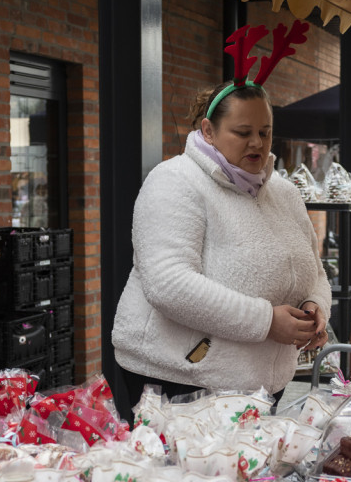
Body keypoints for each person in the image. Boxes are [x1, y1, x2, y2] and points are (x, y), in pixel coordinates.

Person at [112, 22, 331, 404]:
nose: (257, 143)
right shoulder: (174, 181)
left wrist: (314, 307)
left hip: (263, 382)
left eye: (265, 132)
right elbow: (169, 284)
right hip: (182, 377)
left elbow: (314, 268)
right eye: (242, 132)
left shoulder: (283, 192)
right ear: (208, 131)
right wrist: (266, 322)